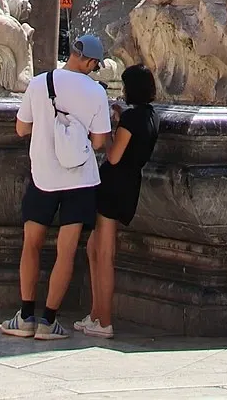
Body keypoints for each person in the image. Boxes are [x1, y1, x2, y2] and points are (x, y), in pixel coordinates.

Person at [1, 31, 111, 342]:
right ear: (88, 61)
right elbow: (99, 142)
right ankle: (49, 321)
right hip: (80, 179)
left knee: (31, 245)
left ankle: (25, 317)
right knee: (66, 252)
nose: (94, 70)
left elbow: (21, 128)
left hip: (43, 176)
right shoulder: (96, 92)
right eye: (95, 65)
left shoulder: (39, 83)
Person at [77, 62, 159, 340]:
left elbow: (113, 156)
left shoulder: (131, 118)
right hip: (128, 184)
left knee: (104, 254)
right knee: (93, 248)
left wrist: (111, 129)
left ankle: (104, 320)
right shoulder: (151, 116)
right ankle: (95, 314)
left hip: (114, 185)